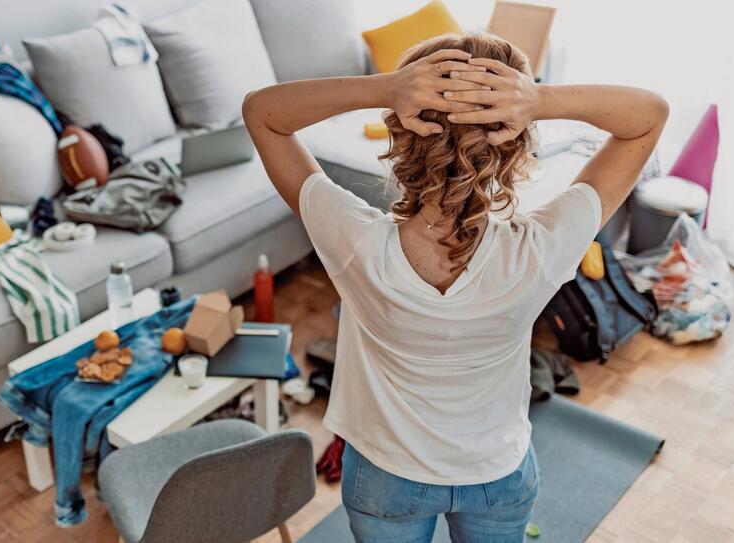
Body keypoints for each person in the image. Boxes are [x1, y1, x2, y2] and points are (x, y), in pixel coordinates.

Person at [243, 32, 668, 542]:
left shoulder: (352, 238)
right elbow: (649, 116)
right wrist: (542, 99)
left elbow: (261, 112)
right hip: (497, 476)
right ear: (514, 142)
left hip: (385, 477)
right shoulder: (540, 249)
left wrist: (385, 87)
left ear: (401, 132)